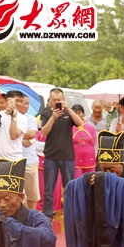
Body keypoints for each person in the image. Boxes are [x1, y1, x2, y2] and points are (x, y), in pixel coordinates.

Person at [40, 88, 83, 220]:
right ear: (49, 100)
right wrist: (53, 117)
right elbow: (44, 132)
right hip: (51, 156)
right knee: (49, 188)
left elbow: (80, 123)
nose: (57, 102)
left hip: (67, 156)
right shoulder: (46, 112)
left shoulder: (68, 112)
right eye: (54, 100)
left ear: (63, 99)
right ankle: (47, 213)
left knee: (69, 187)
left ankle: (71, 213)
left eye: (59, 100)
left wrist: (69, 110)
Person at [0, 90, 30, 213]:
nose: (18, 104)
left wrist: (13, 117)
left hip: (15, 162)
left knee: (15, 196)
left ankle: (16, 223)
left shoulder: (22, 118)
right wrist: (3, 113)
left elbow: (14, 135)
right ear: (7, 101)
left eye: (20, 101)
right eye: (15, 101)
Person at [17, 95, 40, 210]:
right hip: (15, 160)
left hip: (30, 160)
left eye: (27, 104)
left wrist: (17, 135)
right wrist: (21, 138)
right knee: (17, 194)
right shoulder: (10, 118)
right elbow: (9, 134)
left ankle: (32, 218)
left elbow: (32, 134)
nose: (25, 106)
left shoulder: (30, 118)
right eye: (23, 103)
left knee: (32, 194)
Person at [71, 104, 98, 179]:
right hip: (75, 161)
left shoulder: (91, 127)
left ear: (83, 113)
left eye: (80, 112)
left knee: (89, 182)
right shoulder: (70, 128)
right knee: (78, 182)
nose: (78, 115)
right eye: (75, 113)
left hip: (90, 160)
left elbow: (95, 145)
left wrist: (94, 157)